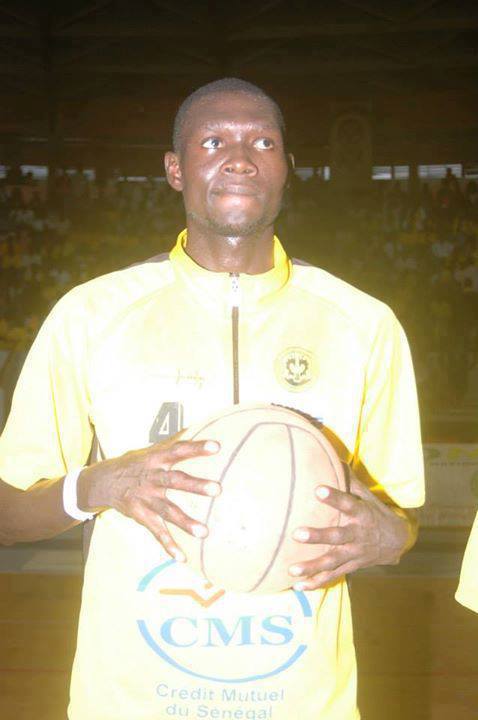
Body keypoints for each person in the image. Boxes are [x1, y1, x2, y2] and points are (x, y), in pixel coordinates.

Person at [0, 78, 424, 720]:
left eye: (263, 141)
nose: (240, 156)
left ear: (286, 169)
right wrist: (97, 486)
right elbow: (8, 513)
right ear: (175, 169)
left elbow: (399, 526)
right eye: (213, 140)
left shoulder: (364, 323)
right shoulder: (90, 315)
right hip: (129, 702)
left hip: (305, 701)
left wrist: (384, 536)